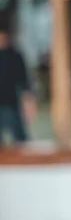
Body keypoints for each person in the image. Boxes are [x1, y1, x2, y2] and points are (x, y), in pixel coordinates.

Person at [0, 17, 35, 147]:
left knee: (21, 141)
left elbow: (23, 80)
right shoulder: (15, 55)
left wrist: (29, 102)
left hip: (11, 104)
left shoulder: (14, 55)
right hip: (9, 103)